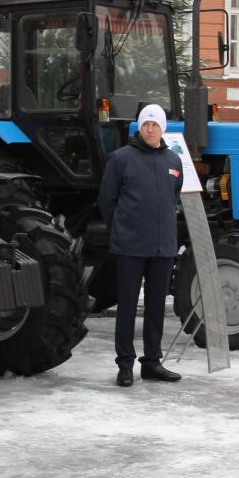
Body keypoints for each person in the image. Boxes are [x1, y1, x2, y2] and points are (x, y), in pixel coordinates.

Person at [98, 103, 184, 387]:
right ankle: (125, 364)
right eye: (145, 124)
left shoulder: (173, 161)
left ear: (163, 128)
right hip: (130, 247)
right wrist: (121, 230)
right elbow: (106, 200)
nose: (150, 129)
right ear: (139, 127)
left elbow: (173, 197)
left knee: (157, 306)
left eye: (155, 124)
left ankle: (152, 362)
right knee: (127, 306)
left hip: (163, 248)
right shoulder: (120, 159)